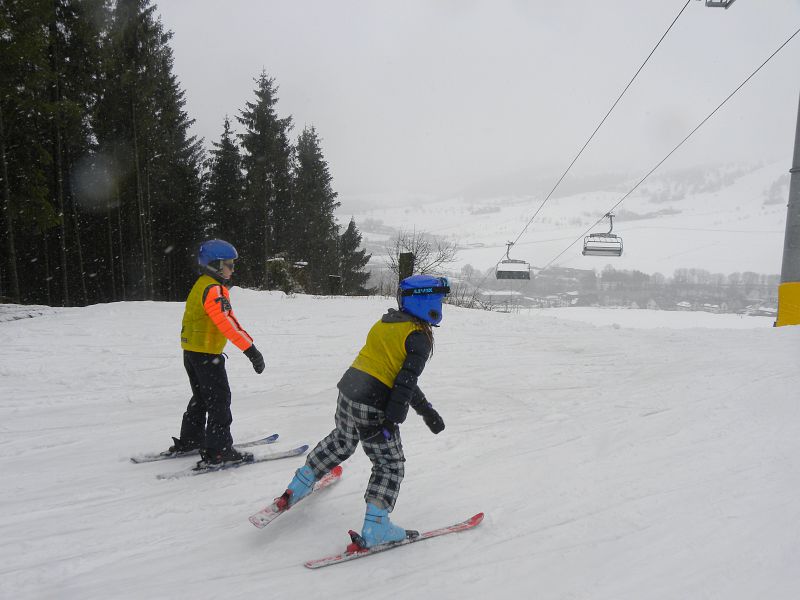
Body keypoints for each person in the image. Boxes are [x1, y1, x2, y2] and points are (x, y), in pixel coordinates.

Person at [274, 274, 449, 548]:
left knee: (342, 440)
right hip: (373, 405)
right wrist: (391, 420)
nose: (441, 305)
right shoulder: (418, 337)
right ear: (426, 301)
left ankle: (298, 485)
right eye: (439, 299)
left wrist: (426, 412)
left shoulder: (386, 322)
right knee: (389, 464)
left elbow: (396, 376)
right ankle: (377, 527)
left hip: (348, 393)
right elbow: (404, 383)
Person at [167, 239, 266, 465]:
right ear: (215, 265)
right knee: (219, 401)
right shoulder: (214, 290)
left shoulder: (202, 284)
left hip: (192, 352)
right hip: (206, 356)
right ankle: (219, 451)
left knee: (201, 398)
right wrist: (251, 350)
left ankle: (191, 439)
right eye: (229, 265)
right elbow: (227, 322)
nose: (233, 269)